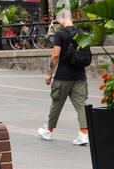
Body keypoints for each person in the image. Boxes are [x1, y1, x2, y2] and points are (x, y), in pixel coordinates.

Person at [37, 8, 89, 146]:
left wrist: (49, 74)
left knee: (57, 103)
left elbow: (55, 56)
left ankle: (48, 131)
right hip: (80, 75)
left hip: (63, 76)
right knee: (81, 106)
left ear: (62, 18)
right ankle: (84, 133)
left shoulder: (60, 34)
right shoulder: (82, 33)